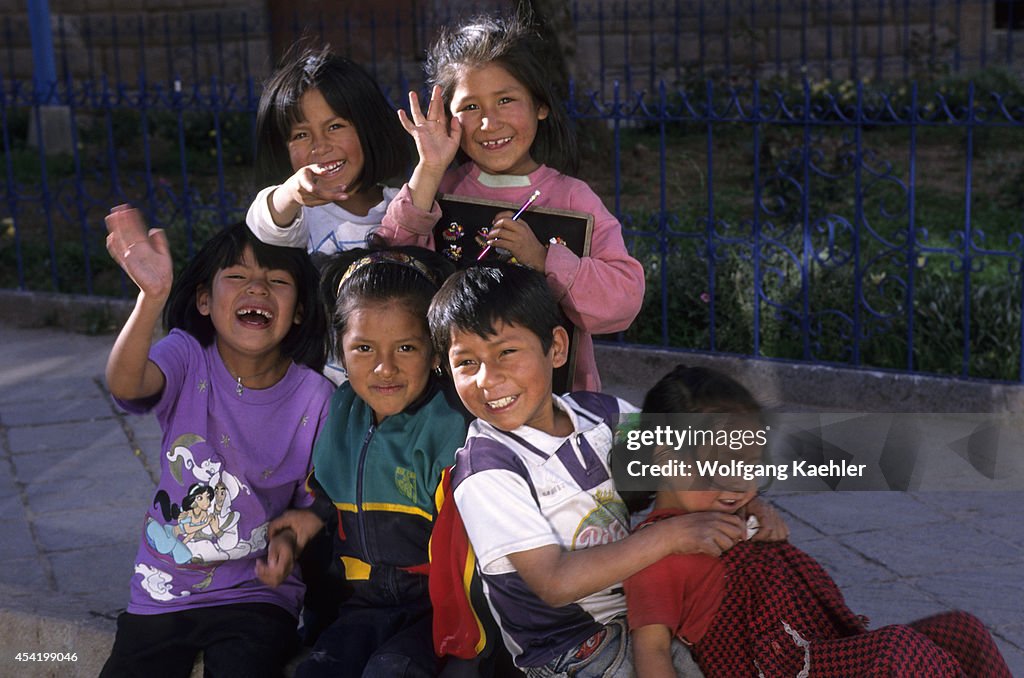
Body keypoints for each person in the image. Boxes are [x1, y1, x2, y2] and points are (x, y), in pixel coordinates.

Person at [426, 263, 770, 676]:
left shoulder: (601, 415)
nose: (488, 378)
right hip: (573, 649)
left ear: (555, 347)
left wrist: (744, 499)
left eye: (506, 352)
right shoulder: (487, 470)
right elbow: (555, 584)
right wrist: (671, 535)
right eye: (466, 362)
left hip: (645, 608)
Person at [623, 365, 1013, 678]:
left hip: (822, 652)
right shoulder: (660, 549)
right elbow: (652, 650)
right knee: (897, 651)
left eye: (750, 466)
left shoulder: (732, 510)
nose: (740, 483)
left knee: (964, 631)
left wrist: (758, 519)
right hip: (777, 669)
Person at [99, 206, 335, 677]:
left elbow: (316, 503)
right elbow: (126, 385)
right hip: (162, 590)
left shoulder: (316, 396)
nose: (257, 288)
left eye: (277, 280)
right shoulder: (186, 356)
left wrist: (290, 537)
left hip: (258, 596)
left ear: (299, 312)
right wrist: (151, 298)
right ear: (205, 300)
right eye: (238, 275)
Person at [380, 13, 645, 392]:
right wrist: (430, 167)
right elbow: (392, 272)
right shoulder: (440, 189)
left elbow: (622, 304)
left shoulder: (573, 198)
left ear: (540, 105)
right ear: (447, 118)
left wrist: (542, 257)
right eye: (470, 107)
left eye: (506, 100)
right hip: (457, 407)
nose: (489, 122)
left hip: (555, 410)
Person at [260, 246, 472, 678]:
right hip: (362, 605)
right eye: (364, 348)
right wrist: (301, 528)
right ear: (339, 349)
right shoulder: (342, 411)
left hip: (436, 609)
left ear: (436, 352)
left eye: (407, 347)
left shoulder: (451, 424)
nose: (384, 368)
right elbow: (330, 494)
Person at [247, 45, 410, 257]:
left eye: (335, 127)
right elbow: (262, 222)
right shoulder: (299, 215)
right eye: (301, 135)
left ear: (369, 128)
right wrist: (290, 194)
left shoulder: (401, 205)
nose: (321, 146)